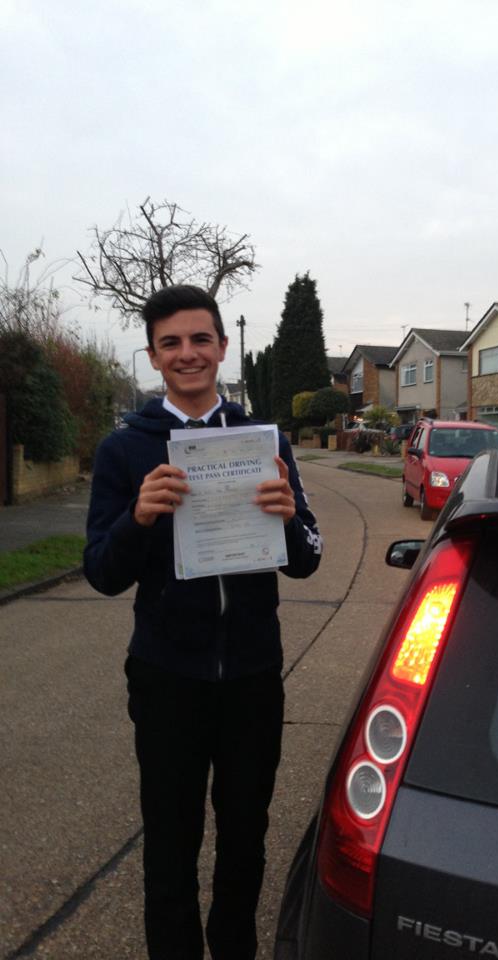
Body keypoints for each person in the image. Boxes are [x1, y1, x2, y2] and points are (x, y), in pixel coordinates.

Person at [84, 284, 323, 960]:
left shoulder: (263, 440)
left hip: (251, 676)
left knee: (245, 838)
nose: (187, 354)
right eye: (171, 343)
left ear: (221, 347)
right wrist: (137, 517)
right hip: (167, 677)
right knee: (170, 843)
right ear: (154, 357)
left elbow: (305, 559)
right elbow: (102, 571)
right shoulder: (125, 450)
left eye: (199, 339)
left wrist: (287, 521)